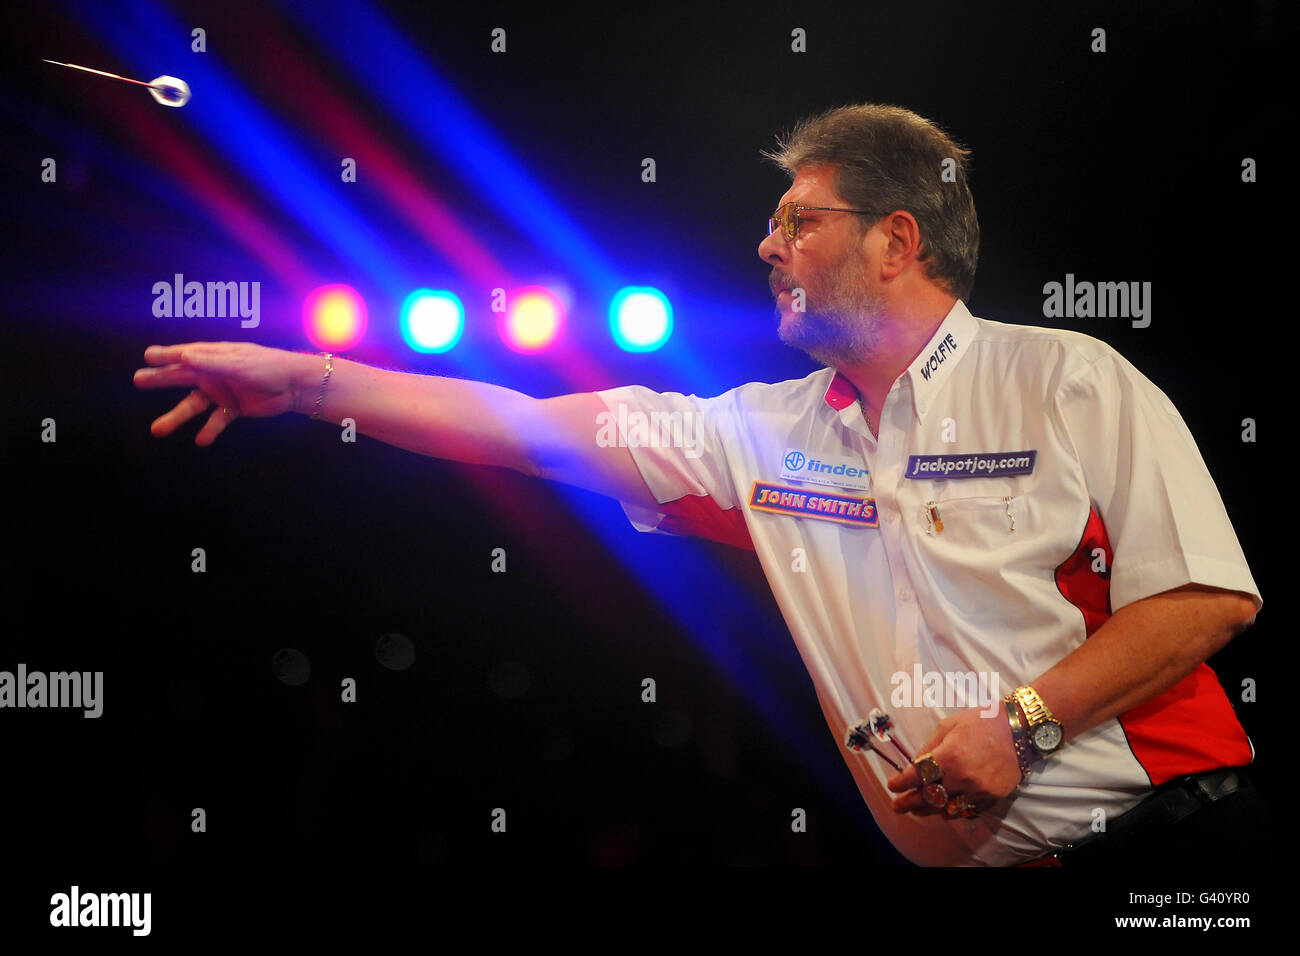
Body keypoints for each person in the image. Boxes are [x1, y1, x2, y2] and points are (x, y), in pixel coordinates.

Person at [134, 103, 1265, 867]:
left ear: (896, 240)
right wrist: (313, 378)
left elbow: (1208, 598)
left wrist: (1021, 723)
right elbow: (526, 426)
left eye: (797, 220)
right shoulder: (759, 434)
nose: (766, 245)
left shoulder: (1067, 374)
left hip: (1171, 851)